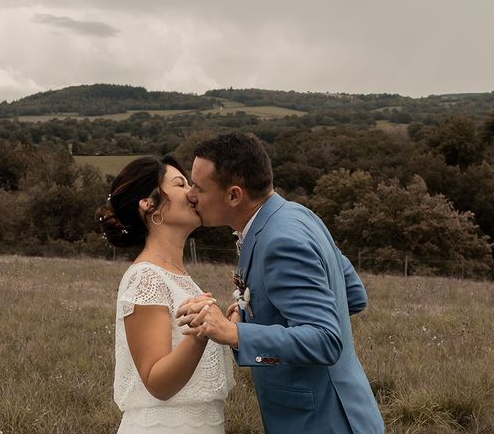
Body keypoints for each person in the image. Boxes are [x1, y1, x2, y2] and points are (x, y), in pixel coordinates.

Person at [177, 133, 385, 433]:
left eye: (199, 187)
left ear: (234, 195)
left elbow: (325, 340)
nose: (191, 195)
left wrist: (235, 333)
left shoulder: (280, 241)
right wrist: (253, 316)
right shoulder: (299, 214)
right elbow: (352, 295)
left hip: (323, 421)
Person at [97, 155, 234, 434]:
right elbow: (157, 382)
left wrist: (230, 329)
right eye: (181, 184)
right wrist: (200, 332)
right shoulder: (145, 277)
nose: (192, 193)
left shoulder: (180, 277)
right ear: (150, 205)